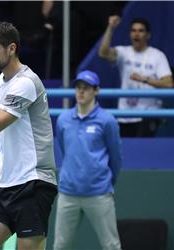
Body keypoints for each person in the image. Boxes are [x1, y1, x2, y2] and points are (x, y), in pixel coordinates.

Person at [0, 21, 57, 250]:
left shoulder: (25, 83)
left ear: (12, 48)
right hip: (6, 186)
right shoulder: (4, 80)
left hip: (33, 185)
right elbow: (11, 135)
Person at [53, 70, 122, 250]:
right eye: (78, 88)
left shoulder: (107, 121)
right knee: (60, 246)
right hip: (68, 193)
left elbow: (115, 158)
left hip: (99, 194)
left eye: (86, 88)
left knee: (111, 246)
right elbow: (64, 149)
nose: (81, 92)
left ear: (96, 91)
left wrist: (105, 183)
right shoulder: (63, 119)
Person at [98, 16, 174, 137]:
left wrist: (145, 79)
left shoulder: (157, 56)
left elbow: (168, 83)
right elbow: (103, 53)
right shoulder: (123, 52)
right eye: (133, 30)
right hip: (125, 115)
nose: (136, 34)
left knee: (143, 152)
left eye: (140, 31)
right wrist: (110, 28)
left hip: (148, 115)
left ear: (148, 35)